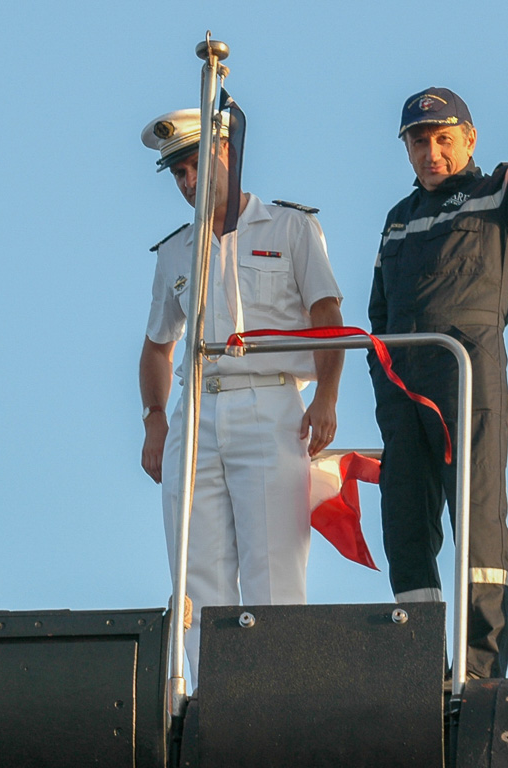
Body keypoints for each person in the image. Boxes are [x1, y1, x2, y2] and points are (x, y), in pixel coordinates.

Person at [368, 24, 508, 679]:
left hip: (466, 375)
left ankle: (478, 672)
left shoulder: (498, 192)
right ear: (407, 148)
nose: (432, 150)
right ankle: (419, 669)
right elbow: (378, 309)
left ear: (467, 139)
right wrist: (382, 380)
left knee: (478, 526)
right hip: (400, 386)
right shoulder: (398, 218)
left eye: (443, 138)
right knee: (405, 530)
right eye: (419, 140)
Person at [139, 107, 344, 688]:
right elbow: (157, 348)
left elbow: (327, 316)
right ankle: (211, 699)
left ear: (226, 151)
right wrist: (155, 419)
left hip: (271, 401)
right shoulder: (176, 251)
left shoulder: (290, 227)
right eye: (176, 173)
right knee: (195, 568)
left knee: (273, 567)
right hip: (196, 410)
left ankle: (276, 699)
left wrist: (326, 395)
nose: (186, 182)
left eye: (193, 165)